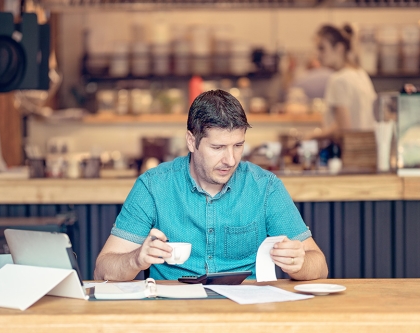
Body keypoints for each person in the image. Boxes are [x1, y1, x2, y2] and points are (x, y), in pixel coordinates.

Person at [94, 90, 328, 282]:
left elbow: (319, 265)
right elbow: (103, 269)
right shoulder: (154, 186)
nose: (231, 160)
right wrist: (136, 259)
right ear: (191, 141)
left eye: (238, 145)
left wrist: (299, 264)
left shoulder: (264, 187)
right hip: (174, 316)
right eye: (218, 148)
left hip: (246, 316)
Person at [312, 24, 377, 140]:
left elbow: (344, 129)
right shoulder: (361, 74)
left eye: (322, 48)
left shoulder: (338, 80)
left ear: (339, 48)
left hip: (348, 153)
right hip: (368, 150)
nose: (318, 55)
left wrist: (313, 136)